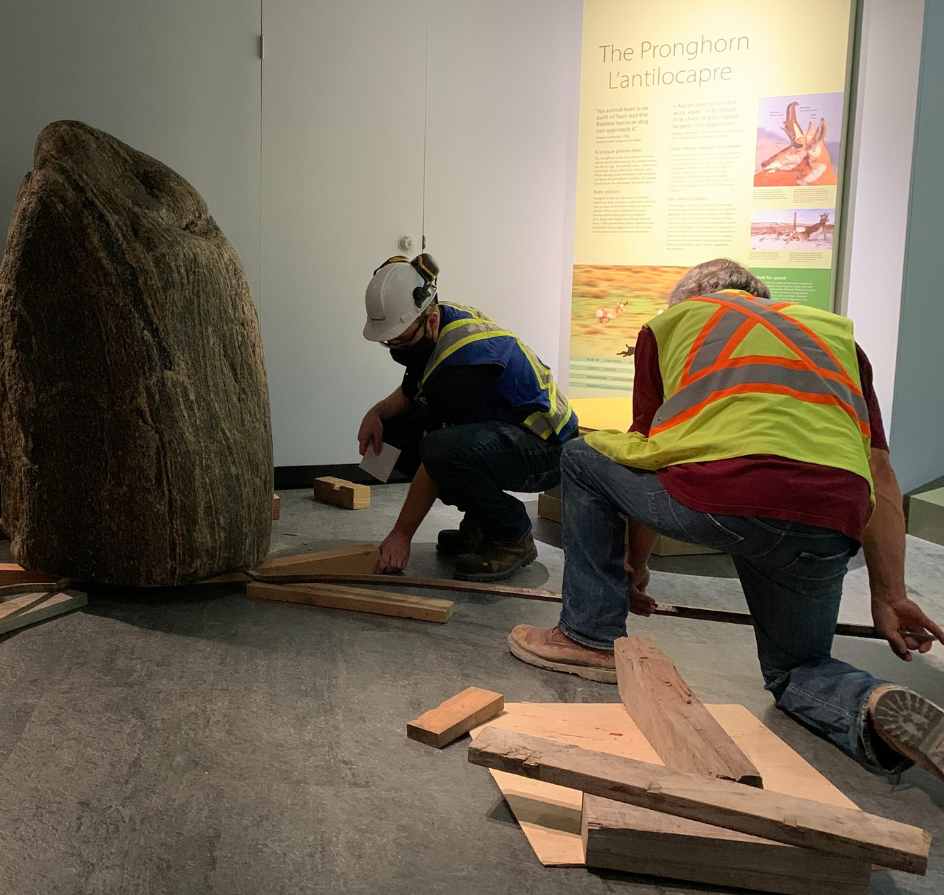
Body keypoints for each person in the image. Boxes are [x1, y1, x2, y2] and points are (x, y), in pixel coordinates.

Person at [509, 259, 944, 783]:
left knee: (582, 458)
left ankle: (589, 636)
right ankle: (872, 706)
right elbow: (881, 473)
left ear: (688, 298)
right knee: (795, 668)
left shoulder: (674, 326)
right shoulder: (839, 341)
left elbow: (649, 452)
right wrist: (889, 594)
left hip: (728, 497)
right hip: (830, 519)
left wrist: (634, 566)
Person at [359, 253, 578, 581]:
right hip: (507, 431)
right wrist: (375, 413)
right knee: (392, 433)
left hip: (548, 448)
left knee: (439, 450)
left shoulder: (462, 365)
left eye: (401, 340)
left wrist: (401, 534)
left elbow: (435, 460)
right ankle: (482, 523)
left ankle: (512, 536)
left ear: (429, 321)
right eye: (388, 342)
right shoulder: (436, 322)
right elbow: (411, 392)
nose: (395, 349)